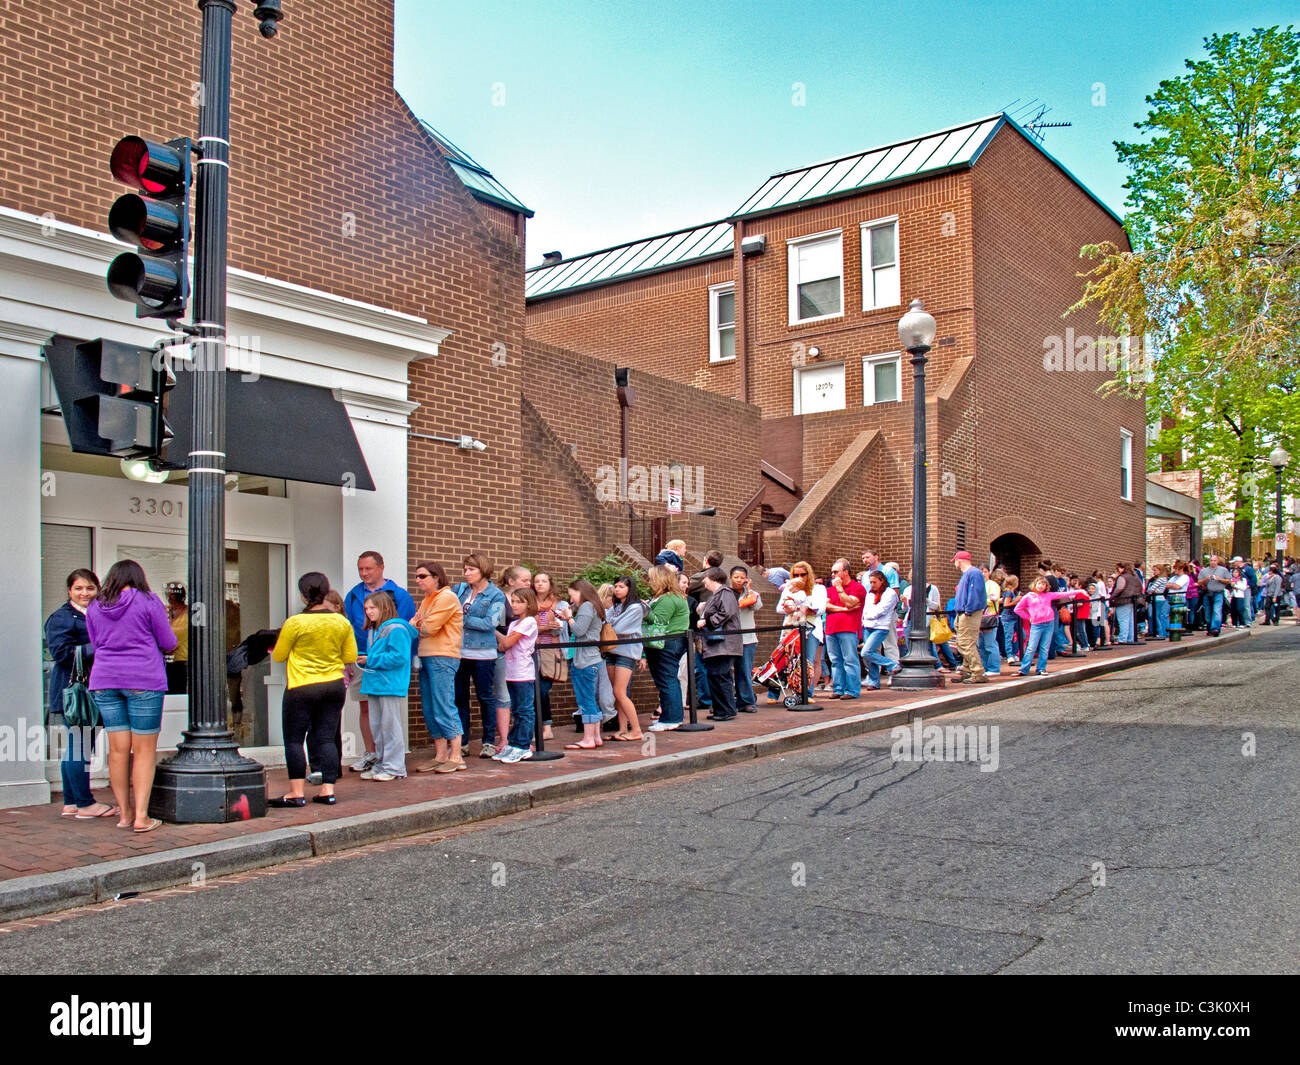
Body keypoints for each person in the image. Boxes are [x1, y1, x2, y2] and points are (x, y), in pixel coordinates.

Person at [85, 560, 178, 833]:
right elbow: (169, 642)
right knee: (144, 751)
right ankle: (141, 817)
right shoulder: (148, 601)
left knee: (117, 750)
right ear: (139, 577)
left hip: (104, 680)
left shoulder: (95, 606)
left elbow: (95, 642)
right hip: (143, 679)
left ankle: (124, 815)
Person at [269, 572, 358, 807]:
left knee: (294, 740)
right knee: (327, 738)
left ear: (303, 594)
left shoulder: (296, 622)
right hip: (333, 685)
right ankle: (328, 790)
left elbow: (279, 655)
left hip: (302, 685)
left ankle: (296, 793)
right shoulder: (341, 622)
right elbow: (350, 656)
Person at [45, 568, 115, 819]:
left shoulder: (95, 614)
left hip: (88, 690)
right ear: (69, 591)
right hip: (75, 693)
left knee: (76, 745)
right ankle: (86, 804)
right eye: (79, 588)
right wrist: (97, 644)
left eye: (90, 588)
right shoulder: (62, 618)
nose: (84, 593)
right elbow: (61, 654)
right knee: (80, 746)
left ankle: (71, 802)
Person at [343, 551, 416, 774]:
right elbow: (349, 628)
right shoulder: (354, 595)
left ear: (381, 567)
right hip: (364, 663)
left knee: (388, 720)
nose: (364, 574)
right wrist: (349, 659)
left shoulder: (399, 599)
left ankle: (393, 765)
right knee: (372, 714)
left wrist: (373, 658)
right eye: (360, 569)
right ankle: (375, 756)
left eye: (368, 569)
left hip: (384, 671)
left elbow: (400, 649)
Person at [356, 591, 416, 781]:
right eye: (366, 608)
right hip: (376, 682)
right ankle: (382, 763)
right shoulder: (377, 629)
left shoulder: (396, 629)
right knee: (378, 726)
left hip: (389, 683)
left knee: (389, 726)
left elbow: (399, 657)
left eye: (372, 607)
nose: (369, 612)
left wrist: (370, 659)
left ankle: (394, 766)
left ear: (384, 607)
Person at [412, 562, 465, 774]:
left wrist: (419, 622)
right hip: (426, 656)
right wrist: (419, 622)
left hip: (443, 656)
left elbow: (428, 627)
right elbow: (417, 623)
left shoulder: (447, 597)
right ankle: (441, 755)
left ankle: (457, 755)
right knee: (429, 707)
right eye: (417, 576)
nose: (418, 580)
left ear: (436, 577)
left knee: (443, 704)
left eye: (422, 576)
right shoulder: (428, 600)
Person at [452, 553, 507, 756]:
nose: (466, 573)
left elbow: (490, 624)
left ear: (483, 570)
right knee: (460, 697)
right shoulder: (459, 590)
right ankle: (462, 742)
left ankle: (488, 742)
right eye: (465, 569)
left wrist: (462, 617)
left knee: (485, 697)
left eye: (471, 569)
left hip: (483, 653)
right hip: (459, 651)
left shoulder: (496, 595)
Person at [642, 563, 689, 731]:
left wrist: (644, 608)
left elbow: (658, 620)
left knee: (667, 679)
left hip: (667, 641)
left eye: (652, 578)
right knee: (666, 679)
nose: (649, 581)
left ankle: (671, 719)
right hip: (671, 641)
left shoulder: (668, 598)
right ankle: (668, 716)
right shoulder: (672, 596)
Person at [492, 565, 534, 750]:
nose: (529, 584)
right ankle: (509, 740)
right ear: (511, 581)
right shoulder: (500, 602)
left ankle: (522, 743)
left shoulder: (527, 620)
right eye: (525, 580)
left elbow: (509, 641)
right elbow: (498, 630)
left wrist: (505, 639)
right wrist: (502, 637)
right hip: (506, 660)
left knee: (524, 708)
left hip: (521, 665)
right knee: (512, 703)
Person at [563, 580, 606, 750]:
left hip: (585, 660)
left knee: (585, 699)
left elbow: (579, 630)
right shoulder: (594, 606)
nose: (570, 597)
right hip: (593, 658)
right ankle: (595, 737)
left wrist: (569, 618)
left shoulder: (587, 606)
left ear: (580, 592)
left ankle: (588, 738)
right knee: (590, 699)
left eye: (572, 593)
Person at [696, 567, 741, 720]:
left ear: (713, 578)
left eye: (705, 578)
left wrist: (707, 621)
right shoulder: (717, 595)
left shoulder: (725, 593)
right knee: (716, 676)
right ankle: (720, 710)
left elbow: (726, 612)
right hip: (718, 645)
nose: (703, 581)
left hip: (724, 644)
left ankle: (727, 710)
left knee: (720, 676)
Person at [776, 562, 828, 692]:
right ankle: (787, 691)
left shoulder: (818, 589)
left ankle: (807, 694)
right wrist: (790, 608)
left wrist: (802, 608)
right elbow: (779, 608)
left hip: (811, 628)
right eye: (796, 575)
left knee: (808, 661)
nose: (799, 577)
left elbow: (820, 608)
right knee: (788, 660)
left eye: (803, 574)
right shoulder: (789, 588)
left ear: (808, 575)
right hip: (792, 626)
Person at [1013, 577, 1075, 676]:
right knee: (1031, 647)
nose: (1040, 586)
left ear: (1046, 586)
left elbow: (1062, 594)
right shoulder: (1029, 596)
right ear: (1035, 584)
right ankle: (1024, 669)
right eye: (1039, 584)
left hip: (1049, 623)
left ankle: (1041, 668)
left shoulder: (1048, 595)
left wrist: (1079, 592)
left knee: (1044, 648)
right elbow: (1018, 609)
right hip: (1036, 624)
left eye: (1043, 584)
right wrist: (1028, 617)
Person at [824, 558, 865, 698]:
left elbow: (850, 602)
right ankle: (838, 688)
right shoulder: (829, 590)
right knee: (835, 660)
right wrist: (844, 609)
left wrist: (840, 589)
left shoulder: (858, 588)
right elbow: (825, 606)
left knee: (850, 660)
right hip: (830, 628)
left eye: (836, 572)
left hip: (848, 627)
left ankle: (852, 690)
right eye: (832, 572)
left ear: (846, 572)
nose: (833, 575)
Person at [533, 571, 566, 740]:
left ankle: (546, 728)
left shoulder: (559, 604)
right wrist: (544, 628)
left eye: (544, 581)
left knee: (543, 690)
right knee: (532, 691)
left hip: (551, 651)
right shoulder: (528, 603)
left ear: (550, 583)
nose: (540, 584)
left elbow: (566, 627)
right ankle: (537, 727)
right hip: (531, 651)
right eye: (537, 581)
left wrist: (558, 625)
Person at [950, 551, 988, 683]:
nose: (955, 563)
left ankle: (977, 671)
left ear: (960, 560)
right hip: (964, 613)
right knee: (964, 642)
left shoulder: (973, 573)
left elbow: (975, 594)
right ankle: (967, 669)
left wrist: (968, 610)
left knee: (965, 643)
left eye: (955, 561)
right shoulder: (970, 574)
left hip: (968, 613)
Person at [859, 571, 900, 690]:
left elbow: (882, 610)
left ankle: (892, 665)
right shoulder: (870, 593)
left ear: (882, 581)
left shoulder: (890, 593)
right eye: (870, 582)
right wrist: (865, 618)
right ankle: (873, 681)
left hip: (881, 627)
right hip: (868, 626)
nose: (872, 585)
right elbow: (865, 608)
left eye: (874, 582)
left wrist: (868, 615)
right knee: (871, 654)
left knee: (866, 652)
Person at [730, 565, 761, 712]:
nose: (739, 580)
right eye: (736, 577)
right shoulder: (725, 593)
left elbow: (756, 606)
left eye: (742, 577)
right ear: (730, 578)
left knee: (744, 670)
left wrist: (748, 590)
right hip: (729, 639)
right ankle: (729, 702)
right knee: (726, 671)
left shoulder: (752, 594)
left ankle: (747, 701)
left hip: (747, 639)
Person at [1196, 554, 1232, 637]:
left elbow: (1229, 581)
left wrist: (1219, 579)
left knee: (1217, 611)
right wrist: (1206, 579)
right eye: (1211, 561)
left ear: (1217, 561)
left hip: (1218, 592)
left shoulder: (1223, 570)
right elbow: (1199, 582)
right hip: (1207, 593)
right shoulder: (1204, 571)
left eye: (1214, 561)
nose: (1213, 562)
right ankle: (1209, 628)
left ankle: (1215, 629)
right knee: (1208, 613)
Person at [164, 582, 188, 694]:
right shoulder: (166, 612)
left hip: (181, 662)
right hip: (165, 663)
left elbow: (173, 640)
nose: (170, 597)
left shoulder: (189, 613)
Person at [1110, 562, 1143, 644]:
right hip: (1133, 601)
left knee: (1123, 619)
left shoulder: (1123, 577)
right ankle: (1131, 638)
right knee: (1131, 620)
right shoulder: (1135, 577)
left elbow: (1119, 588)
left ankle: (1122, 638)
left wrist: (1112, 595)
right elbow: (1141, 587)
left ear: (1123, 569)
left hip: (1123, 600)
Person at [999, 575, 1022, 665]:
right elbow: (1006, 604)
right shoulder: (1009, 592)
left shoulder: (1013, 592)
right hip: (1008, 618)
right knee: (1009, 636)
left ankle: (1014, 653)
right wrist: (1016, 601)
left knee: (1021, 635)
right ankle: (1009, 655)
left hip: (1014, 617)